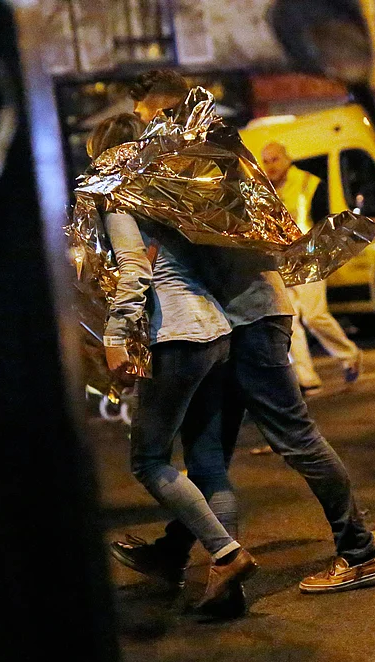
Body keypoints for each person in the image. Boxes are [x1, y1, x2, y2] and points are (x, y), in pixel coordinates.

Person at [112, 69, 375, 594]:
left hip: (254, 316)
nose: (143, 127)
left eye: (148, 114)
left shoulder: (206, 161)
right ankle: (185, 555)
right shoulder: (190, 161)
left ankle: (361, 552)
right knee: (208, 449)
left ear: (170, 108)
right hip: (234, 320)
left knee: (294, 437)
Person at [89, 113, 257, 615]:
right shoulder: (166, 190)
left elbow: (136, 271)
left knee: (148, 460)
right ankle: (228, 591)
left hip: (177, 338)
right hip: (216, 332)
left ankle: (225, 554)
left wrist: (116, 337)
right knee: (207, 463)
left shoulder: (119, 195)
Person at [260, 141, 363, 395]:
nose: (270, 166)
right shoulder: (264, 190)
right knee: (290, 321)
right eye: (266, 161)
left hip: (309, 259)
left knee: (315, 316)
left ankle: (349, 355)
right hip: (280, 263)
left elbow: (323, 222)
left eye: (275, 159)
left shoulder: (309, 183)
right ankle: (306, 378)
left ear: (287, 159)